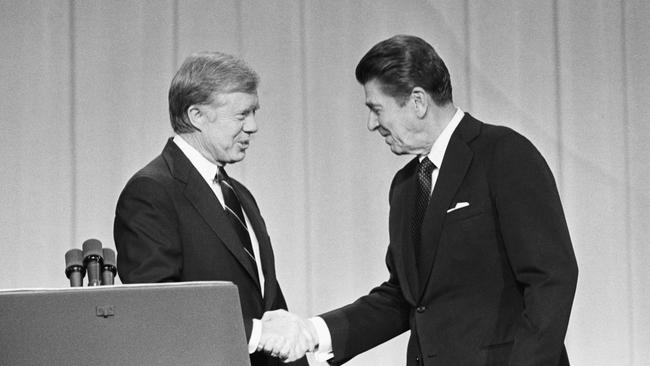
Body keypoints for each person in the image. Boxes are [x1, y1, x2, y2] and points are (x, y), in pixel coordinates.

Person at [260, 35, 579, 366]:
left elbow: (551, 278)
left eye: (376, 108)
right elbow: (403, 298)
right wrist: (312, 333)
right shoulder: (406, 186)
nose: (371, 124)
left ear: (417, 101)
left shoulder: (504, 154)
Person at [114, 52, 310, 366]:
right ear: (197, 115)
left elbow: (264, 300)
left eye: (254, 112)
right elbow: (155, 307)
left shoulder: (238, 193)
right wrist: (256, 335)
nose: (253, 127)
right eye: (242, 114)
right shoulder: (151, 191)